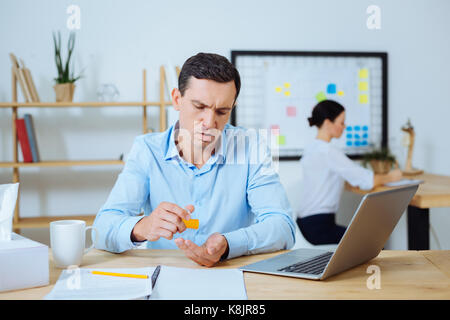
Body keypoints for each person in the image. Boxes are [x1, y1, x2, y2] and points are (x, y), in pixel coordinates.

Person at [93, 53, 295, 267]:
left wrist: (228, 244)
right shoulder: (147, 150)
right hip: (165, 276)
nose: (209, 122)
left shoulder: (251, 147)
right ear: (177, 99)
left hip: (230, 274)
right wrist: (142, 227)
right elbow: (101, 230)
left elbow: (283, 227)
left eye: (222, 111)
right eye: (199, 107)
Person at [296, 100, 402, 245]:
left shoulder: (312, 148)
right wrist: (393, 176)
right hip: (318, 225)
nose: (344, 127)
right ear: (328, 123)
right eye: (341, 123)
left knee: (362, 241)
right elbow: (367, 180)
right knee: (371, 244)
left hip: (305, 221)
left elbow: (326, 178)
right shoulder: (329, 151)